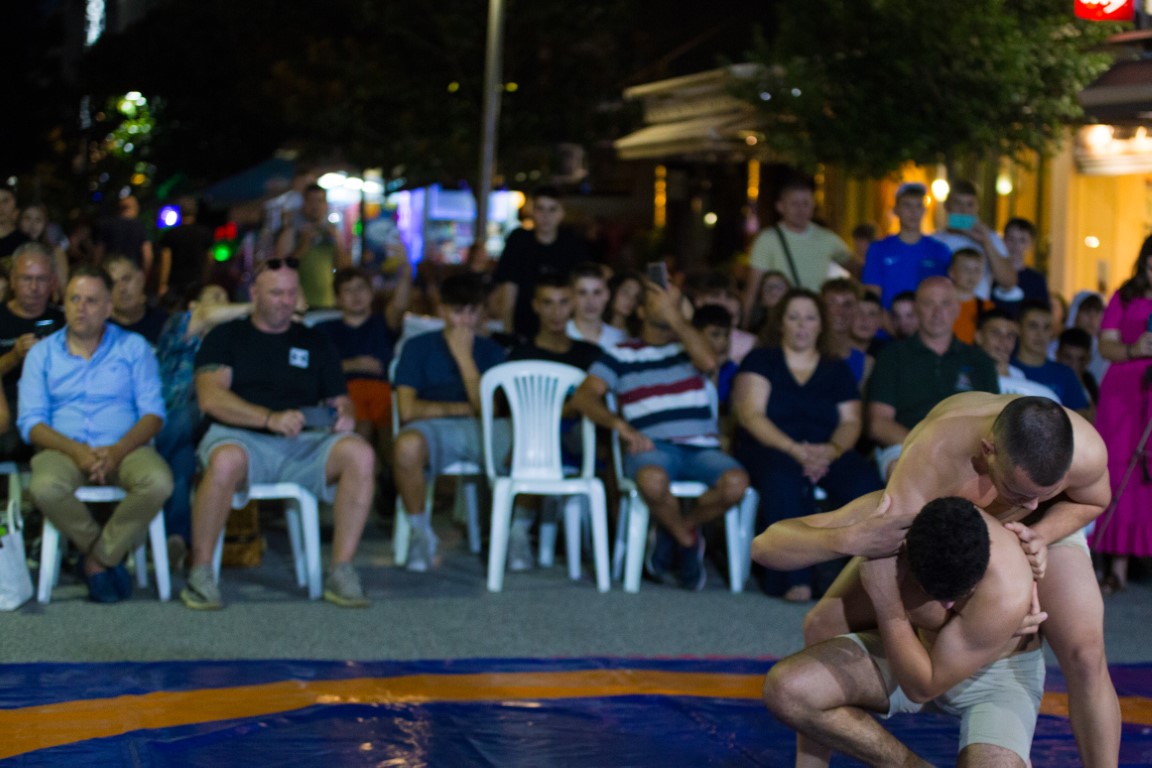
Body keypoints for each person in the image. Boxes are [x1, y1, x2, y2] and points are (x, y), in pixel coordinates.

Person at [764, 393, 1118, 768]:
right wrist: (847, 541)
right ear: (988, 451)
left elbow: (1093, 501)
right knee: (823, 622)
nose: (1028, 504)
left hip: (1039, 534)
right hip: (952, 535)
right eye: (1017, 491)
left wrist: (1040, 535)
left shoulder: (1085, 451)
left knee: (1085, 654)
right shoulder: (930, 461)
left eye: (1043, 493)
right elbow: (768, 547)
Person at [761, 496, 1043, 767]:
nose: (948, 605)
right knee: (788, 690)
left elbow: (922, 688)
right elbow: (763, 546)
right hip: (914, 653)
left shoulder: (1009, 582)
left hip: (995, 679)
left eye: (960, 596)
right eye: (934, 595)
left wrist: (887, 601)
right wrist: (846, 539)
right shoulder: (892, 519)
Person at [181, 257, 375, 610]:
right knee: (224, 461)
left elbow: (340, 398)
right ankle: (202, 570)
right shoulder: (227, 336)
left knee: (359, 453)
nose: (284, 301)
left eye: (291, 293)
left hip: (304, 442)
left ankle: (342, 569)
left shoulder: (315, 340)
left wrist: (344, 414)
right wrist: (268, 418)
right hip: (241, 438)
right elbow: (211, 398)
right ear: (254, 293)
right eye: (275, 293)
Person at [570, 280, 750, 591]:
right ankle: (688, 541)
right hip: (653, 446)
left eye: (675, 301)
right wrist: (619, 425)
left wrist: (676, 319)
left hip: (702, 448)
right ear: (641, 310)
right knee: (651, 481)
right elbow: (584, 397)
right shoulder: (620, 354)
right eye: (660, 299)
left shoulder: (689, 347)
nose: (668, 304)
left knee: (736, 484)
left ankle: (673, 531)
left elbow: (709, 362)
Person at [18, 266, 172, 603]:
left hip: (126, 447)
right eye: (74, 299)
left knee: (158, 481)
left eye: (91, 301)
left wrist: (116, 452)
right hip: (63, 449)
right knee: (44, 487)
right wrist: (77, 452)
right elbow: (31, 423)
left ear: (107, 307)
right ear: (64, 303)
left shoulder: (133, 347)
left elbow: (153, 414)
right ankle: (104, 554)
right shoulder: (42, 354)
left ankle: (96, 561)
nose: (81, 308)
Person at [733, 289, 881, 601]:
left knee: (864, 482)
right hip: (771, 446)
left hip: (826, 450)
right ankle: (792, 578)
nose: (802, 325)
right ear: (780, 323)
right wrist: (795, 450)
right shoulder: (761, 360)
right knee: (783, 477)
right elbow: (751, 415)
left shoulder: (835, 368)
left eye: (810, 318)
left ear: (820, 325)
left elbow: (851, 421)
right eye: (794, 317)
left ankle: (862, 581)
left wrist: (832, 451)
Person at [391, 273, 510, 573]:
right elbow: (407, 410)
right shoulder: (417, 347)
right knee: (406, 446)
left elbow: (490, 411)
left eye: (473, 311)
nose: (465, 321)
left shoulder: (491, 350)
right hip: (435, 430)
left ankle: (516, 531)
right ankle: (420, 532)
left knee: (529, 443)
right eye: (458, 311)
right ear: (443, 310)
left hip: (484, 431)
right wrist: (462, 408)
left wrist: (464, 359)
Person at [505, 275, 602, 571]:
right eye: (548, 303)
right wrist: (566, 409)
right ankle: (518, 532)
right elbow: (513, 411)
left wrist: (568, 409)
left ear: (573, 305)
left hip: (582, 441)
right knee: (535, 440)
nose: (556, 312)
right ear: (536, 306)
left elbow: (599, 402)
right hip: (532, 442)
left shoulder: (589, 354)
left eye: (563, 302)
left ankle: (607, 542)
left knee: (612, 446)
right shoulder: (520, 356)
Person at [154, 284, 252, 564]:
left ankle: (175, 537)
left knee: (183, 456)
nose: (223, 304)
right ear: (193, 306)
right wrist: (256, 306)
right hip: (170, 422)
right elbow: (207, 316)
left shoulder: (235, 343)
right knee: (184, 443)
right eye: (215, 298)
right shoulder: (179, 328)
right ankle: (177, 537)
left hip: (217, 427)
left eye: (226, 298)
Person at [867, 277, 999, 477]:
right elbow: (879, 424)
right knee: (904, 471)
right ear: (916, 309)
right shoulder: (892, 356)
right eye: (929, 303)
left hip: (967, 452)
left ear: (957, 309)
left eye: (945, 303)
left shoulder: (981, 361)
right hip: (907, 446)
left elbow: (994, 423)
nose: (937, 312)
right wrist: (931, 448)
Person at [1091, 240, 1152, 596]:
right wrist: (1134, 349)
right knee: (1121, 472)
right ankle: (1117, 568)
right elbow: (1106, 344)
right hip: (1124, 395)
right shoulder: (1125, 297)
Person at [315, 255, 412, 446]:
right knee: (361, 430)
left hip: (384, 394)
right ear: (338, 299)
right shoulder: (324, 329)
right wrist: (353, 365)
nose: (356, 295)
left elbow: (400, 305)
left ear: (371, 293)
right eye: (348, 290)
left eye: (360, 288)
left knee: (391, 436)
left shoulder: (383, 323)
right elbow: (316, 367)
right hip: (345, 394)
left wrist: (407, 271)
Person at [743, 177, 852, 312]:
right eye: (794, 204)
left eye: (806, 203)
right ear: (780, 206)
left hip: (816, 314)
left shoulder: (827, 238)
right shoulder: (767, 240)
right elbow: (753, 287)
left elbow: (855, 268)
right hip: (782, 314)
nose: (800, 209)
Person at [493, 186, 589, 339]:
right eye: (540, 209)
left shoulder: (572, 243)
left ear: (561, 213)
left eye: (552, 209)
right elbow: (508, 288)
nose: (546, 216)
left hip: (564, 330)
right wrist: (508, 333)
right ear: (533, 211)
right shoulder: (519, 240)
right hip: (522, 327)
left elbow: (579, 287)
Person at [0, 243, 65, 461]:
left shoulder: (65, 321)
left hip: (56, 405)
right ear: (12, 280)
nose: (34, 287)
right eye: (26, 279)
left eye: (41, 279)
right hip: (9, 404)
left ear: (53, 282)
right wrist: (14, 356)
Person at [860, 182, 951, 309]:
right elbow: (872, 296)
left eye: (918, 206)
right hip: (888, 320)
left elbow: (946, 293)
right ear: (896, 210)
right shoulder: (878, 250)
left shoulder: (940, 251)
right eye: (907, 205)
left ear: (924, 210)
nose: (913, 212)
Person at [933, 180, 1017, 301]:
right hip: (941, 308)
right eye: (958, 203)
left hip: (977, 308)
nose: (964, 210)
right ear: (946, 205)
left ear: (977, 208)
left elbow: (1008, 282)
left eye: (970, 205)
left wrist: (985, 242)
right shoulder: (934, 240)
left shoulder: (991, 238)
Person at [274, 183, 351, 309]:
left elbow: (345, 270)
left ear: (326, 205)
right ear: (303, 204)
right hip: (297, 306)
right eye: (311, 201)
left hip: (327, 305)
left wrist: (338, 242)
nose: (315, 206)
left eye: (320, 201)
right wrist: (304, 245)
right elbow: (279, 269)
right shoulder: (291, 231)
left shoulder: (333, 233)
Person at [1012, 300, 1091, 419]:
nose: (1040, 334)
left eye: (1046, 328)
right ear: (1018, 328)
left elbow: (1081, 416)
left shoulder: (1065, 374)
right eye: (1033, 326)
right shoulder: (1005, 370)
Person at [156, 196, 214, 302]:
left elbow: (166, 259)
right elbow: (210, 259)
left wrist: (162, 284)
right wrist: (205, 280)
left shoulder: (170, 234)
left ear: (180, 213)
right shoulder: (204, 233)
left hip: (175, 284)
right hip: (196, 282)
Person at [105, 253, 169, 345]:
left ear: (141, 278)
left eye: (126, 279)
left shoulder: (165, 325)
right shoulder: (99, 330)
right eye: (113, 283)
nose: (122, 288)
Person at [818, 278, 871, 387]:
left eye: (847, 304)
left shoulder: (866, 363)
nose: (839, 311)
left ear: (857, 309)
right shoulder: (805, 354)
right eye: (831, 303)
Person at [996, 217, 1050, 316]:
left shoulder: (1036, 280)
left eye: (1022, 240)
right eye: (1011, 239)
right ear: (1003, 240)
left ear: (1030, 245)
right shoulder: (991, 273)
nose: (1015, 245)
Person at [565, 262, 625, 349]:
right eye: (582, 293)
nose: (590, 301)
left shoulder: (620, 339)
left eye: (597, 293)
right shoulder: (559, 335)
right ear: (572, 296)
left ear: (607, 295)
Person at [94, 195, 153, 277]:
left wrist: (96, 271)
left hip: (110, 270)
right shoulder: (140, 228)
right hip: (131, 273)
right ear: (134, 208)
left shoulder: (107, 225)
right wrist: (144, 276)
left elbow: (99, 251)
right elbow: (147, 255)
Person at [17, 202, 70, 288]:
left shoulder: (55, 253)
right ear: (19, 221)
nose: (32, 224)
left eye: (38, 220)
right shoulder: (13, 250)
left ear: (45, 224)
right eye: (27, 218)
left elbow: (63, 287)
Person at [948, 248, 994, 344]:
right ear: (952, 272)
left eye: (977, 270)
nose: (971, 274)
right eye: (966, 269)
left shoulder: (987, 307)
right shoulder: (942, 303)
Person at [1056, 327, 1099, 407]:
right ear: (1057, 355)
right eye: (1068, 358)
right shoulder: (1049, 382)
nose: (1074, 365)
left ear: (1088, 359)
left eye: (1081, 359)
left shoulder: (1090, 383)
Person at [746, 269, 791, 339]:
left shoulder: (792, 323)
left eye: (779, 287)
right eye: (769, 287)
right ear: (761, 296)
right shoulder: (756, 323)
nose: (774, 291)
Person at [604, 270, 642, 339]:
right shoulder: (594, 327)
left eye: (636, 296)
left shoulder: (636, 335)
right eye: (626, 292)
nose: (631, 299)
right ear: (613, 291)